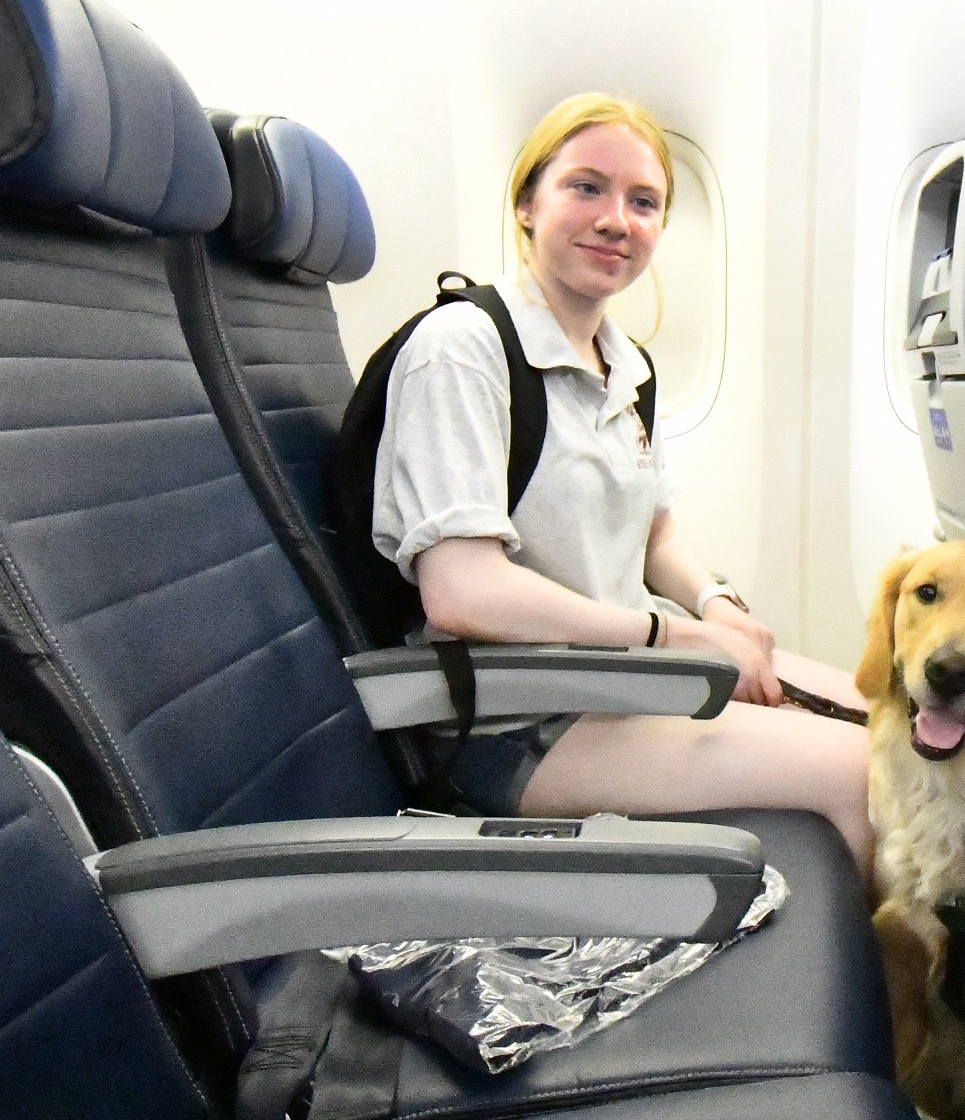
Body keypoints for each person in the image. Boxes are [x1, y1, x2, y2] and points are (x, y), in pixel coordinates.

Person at [371, 93, 875, 874]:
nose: (617, 220)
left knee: (883, 717)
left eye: (644, 202)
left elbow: (655, 530)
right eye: (586, 187)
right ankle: (883, 990)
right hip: (513, 719)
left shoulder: (625, 363)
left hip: (616, 676)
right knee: (864, 773)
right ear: (527, 204)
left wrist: (717, 607)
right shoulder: (464, 348)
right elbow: (462, 592)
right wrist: (671, 635)